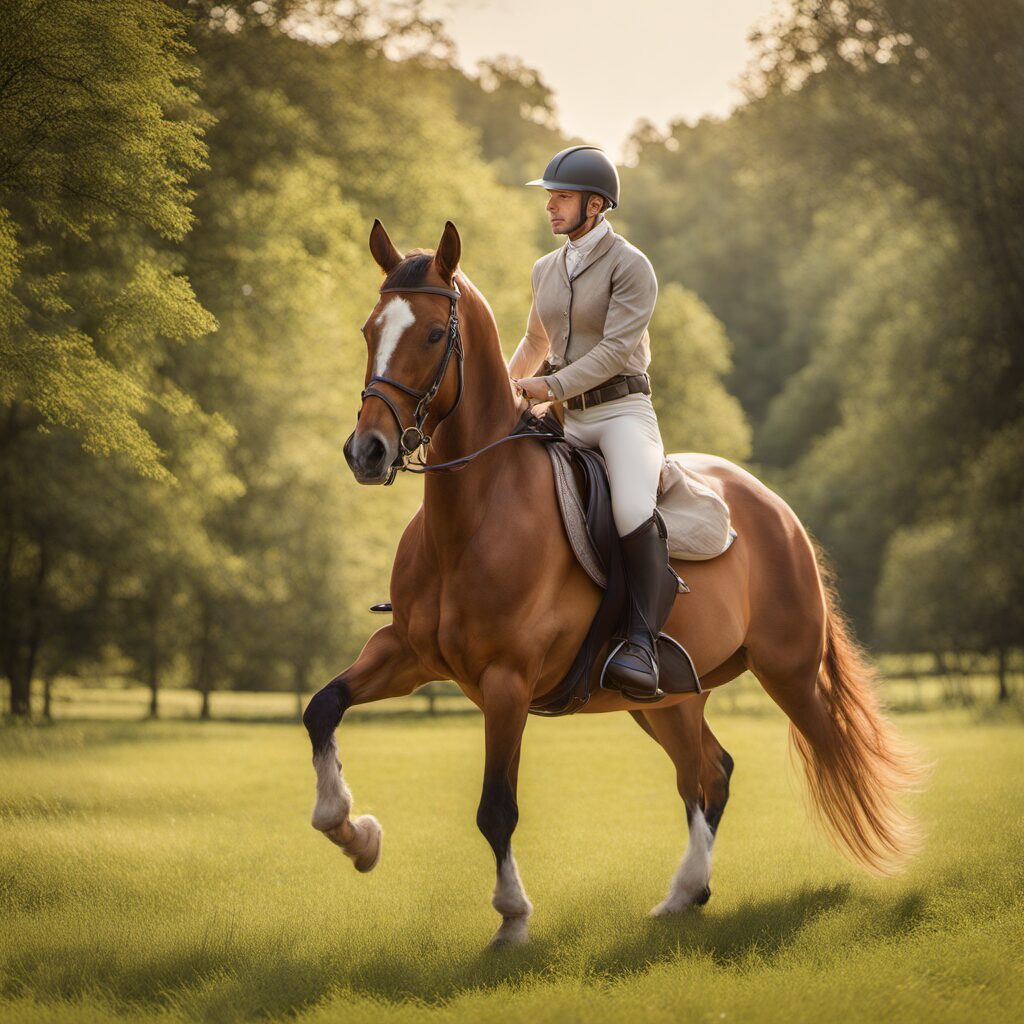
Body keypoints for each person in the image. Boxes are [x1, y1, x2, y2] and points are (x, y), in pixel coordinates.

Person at [509, 145, 674, 701]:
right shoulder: (545, 269)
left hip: (621, 414)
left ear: (596, 205)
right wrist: (506, 391)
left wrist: (547, 387)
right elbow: (536, 342)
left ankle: (643, 642)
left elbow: (613, 351)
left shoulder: (633, 267)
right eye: (550, 197)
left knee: (631, 506)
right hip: (564, 417)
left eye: (561, 197)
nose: (550, 206)